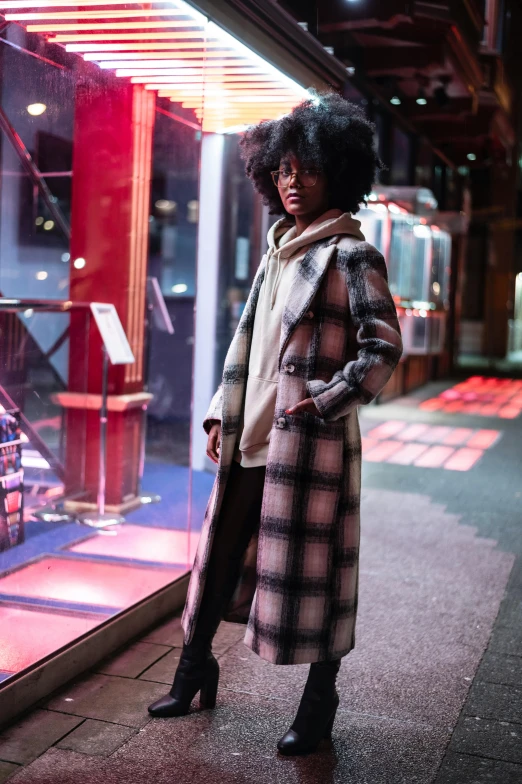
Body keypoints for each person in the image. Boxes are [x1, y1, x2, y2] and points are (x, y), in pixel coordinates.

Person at [148, 91, 403, 756]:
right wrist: (217, 411)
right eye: (284, 170)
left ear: (339, 173)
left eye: (308, 169)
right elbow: (247, 338)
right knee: (219, 558)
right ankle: (193, 669)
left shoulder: (352, 255)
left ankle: (319, 704)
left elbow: (382, 353)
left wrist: (323, 401)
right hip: (251, 431)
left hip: (310, 443)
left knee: (316, 575)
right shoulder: (280, 247)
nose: (293, 183)